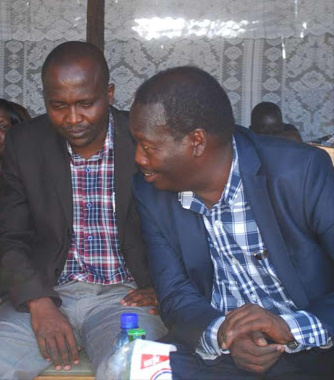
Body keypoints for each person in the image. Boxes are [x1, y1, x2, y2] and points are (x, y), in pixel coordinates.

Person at [0, 41, 166, 379]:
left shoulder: (145, 138)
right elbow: (10, 236)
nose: (73, 118)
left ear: (108, 94)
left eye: (85, 103)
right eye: (58, 105)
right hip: (48, 292)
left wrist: (166, 288)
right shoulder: (25, 142)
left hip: (125, 298)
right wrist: (38, 302)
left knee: (133, 369)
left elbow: (181, 224)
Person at [130, 66, 334, 379]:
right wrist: (224, 334)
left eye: (149, 146)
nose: (139, 159)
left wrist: (287, 328)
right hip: (219, 352)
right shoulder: (151, 192)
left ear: (196, 141)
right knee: (140, 371)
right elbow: (175, 295)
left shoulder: (300, 172)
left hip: (308, 349)